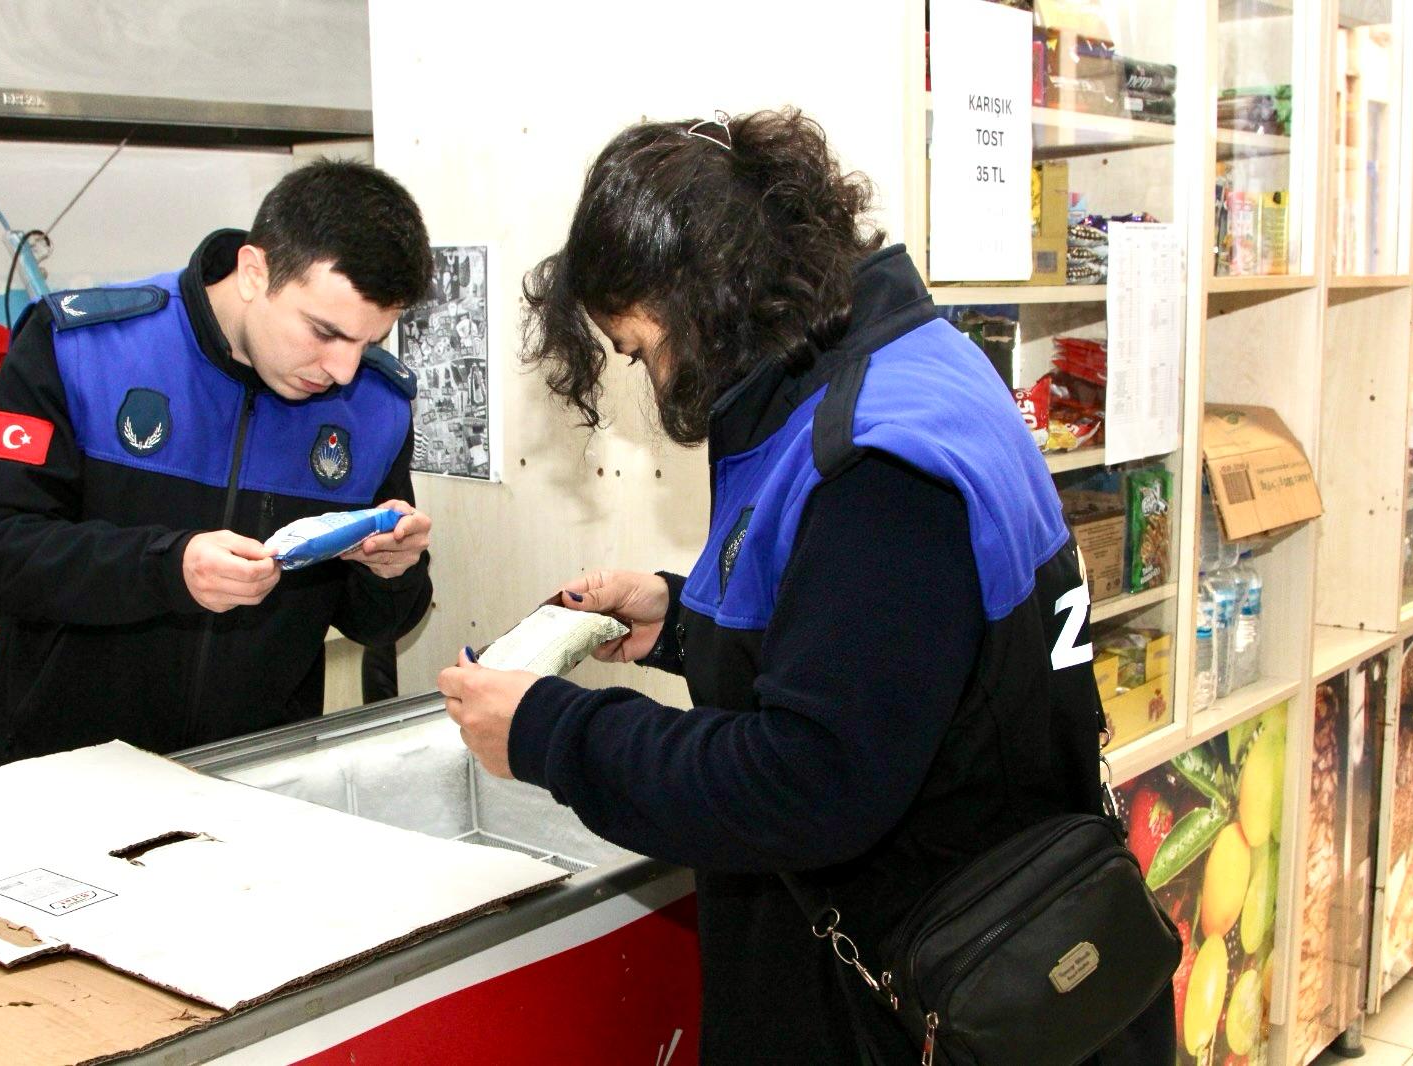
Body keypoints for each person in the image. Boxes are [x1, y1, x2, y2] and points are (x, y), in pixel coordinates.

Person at [439, 111, 1174, 1063]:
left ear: (695, 303)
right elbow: (883, 650)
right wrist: (681, 619)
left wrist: (545, 732)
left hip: (923, 993)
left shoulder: (873, 460)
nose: (645, 373)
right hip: (992, 924)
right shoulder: (908, 361)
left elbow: (809, 781)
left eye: (636, 345)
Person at [0, 160, 435, 767]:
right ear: (255, 272)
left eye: (369, 343)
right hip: (68, 772)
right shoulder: (81, 349)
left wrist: (391, 571)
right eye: (324, 332)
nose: (342, 369)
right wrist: (167, 569)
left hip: (253, 781)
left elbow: (377, 622)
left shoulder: (374, 407)